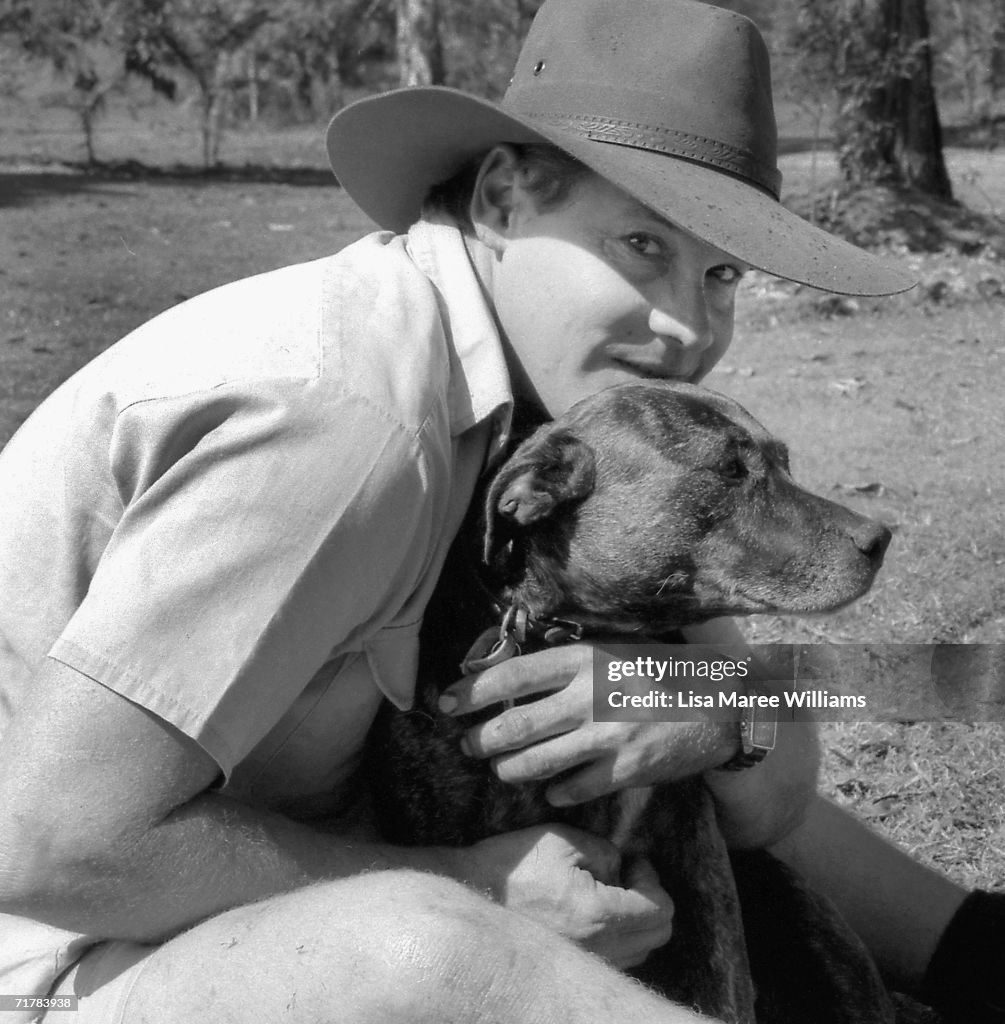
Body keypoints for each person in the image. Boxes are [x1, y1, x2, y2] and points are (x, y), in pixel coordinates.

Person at [0, 0, 996, 1021]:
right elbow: (50, 846)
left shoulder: (560, 414)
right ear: (504, 198)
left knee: (655, 728)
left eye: (721, 272)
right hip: (72, 954)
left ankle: (974, 953)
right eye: (644, 246)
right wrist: (477, 883)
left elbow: (772, 772)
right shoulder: (351, 417)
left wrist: (707, 702)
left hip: (258, 887)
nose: (689, 326)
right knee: (444, 950)